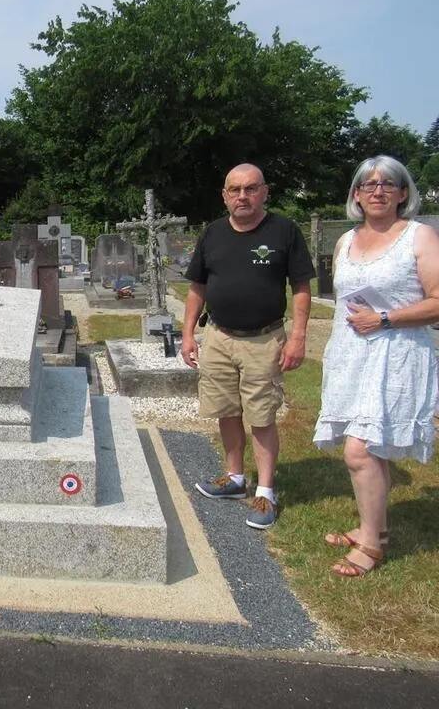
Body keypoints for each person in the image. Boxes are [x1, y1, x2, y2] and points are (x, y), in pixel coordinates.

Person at [313, 155, 439, 577]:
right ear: (356, 194)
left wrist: (385, 318)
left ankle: (371, 546)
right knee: (372, 448)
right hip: (353, 355)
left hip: (397, 357)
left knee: (360, 450)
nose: (378, 190)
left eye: (388, 184)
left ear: (403, 193)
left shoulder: (419, 237)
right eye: (369, 184)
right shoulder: (346, 241)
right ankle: (375, 529)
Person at [181, 163, 314, 529]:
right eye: (235, 190)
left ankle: (266, 492)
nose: (243, 196)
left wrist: (298, 337)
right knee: (226, 409)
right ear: (225, 196)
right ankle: (235, 477)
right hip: (219, 337)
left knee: (262, 416)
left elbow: (301, 288)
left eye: (251, 188)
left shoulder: (284, 231)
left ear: (264, 192)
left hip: (264, 340)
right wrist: (189, 334)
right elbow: (197, 287)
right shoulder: (212, 233)